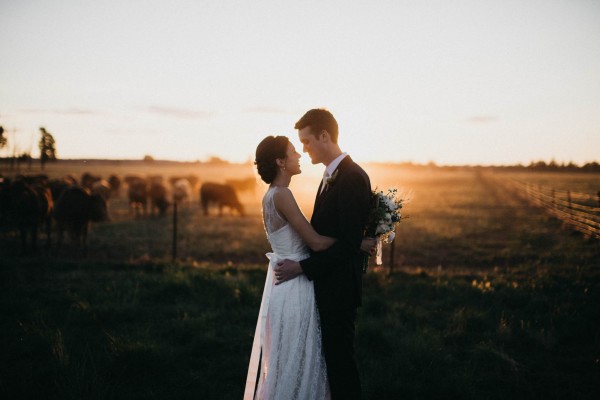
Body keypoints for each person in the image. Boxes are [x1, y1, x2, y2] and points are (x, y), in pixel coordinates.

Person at [244, 135, 374, 400]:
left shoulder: (271, 196)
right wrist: (356, 242)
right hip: (294, 288)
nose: (299, 154)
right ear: (281, 162)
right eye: (293, 151)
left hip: (284, 286)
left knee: (288, 358)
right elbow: (314, 242)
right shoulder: (283, 195)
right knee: (298, 359)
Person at [274, 109, 371, 400]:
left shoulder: (353, 177)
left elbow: (347, 245)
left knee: (341, 365)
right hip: (327, 286)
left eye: (306, 141)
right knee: (330, 364)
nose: (303, 148)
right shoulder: (330, 175)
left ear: (325, 136)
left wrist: (302, 268)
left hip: (340, 289)